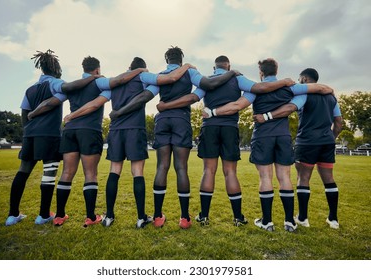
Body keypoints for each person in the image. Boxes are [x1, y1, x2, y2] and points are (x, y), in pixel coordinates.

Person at [109, 46, 244, 229]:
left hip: (162, 122)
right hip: (181, 120)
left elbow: (144, 98)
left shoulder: (160, 76)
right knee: (181, 168)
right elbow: (205, 87)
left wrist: (119, 111)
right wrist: (231, 72)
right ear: (181, 60)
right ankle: (184, 218)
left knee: (162, 167)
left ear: (167, 60)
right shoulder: (190, 72)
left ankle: (157, 217)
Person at [155, 55, 296, 227]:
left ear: (215, 68)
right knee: (230, 172)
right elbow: (259, 88)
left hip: (210, 128)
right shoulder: (237, 78)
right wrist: (284, 83)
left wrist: (167, 105)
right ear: (229, 67)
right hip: (230, 128)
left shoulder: (206, 81)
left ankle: (204, 217)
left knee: (209, 171)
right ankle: (238, 217)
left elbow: (194, 97)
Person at [62, 57, 195, 228]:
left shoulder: (114, 82)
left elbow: (96, 103)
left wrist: (72, 115)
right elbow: (166, 81)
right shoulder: (142, 76)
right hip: (135, 129)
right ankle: (141, 218)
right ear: (143, 68)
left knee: (114, 170)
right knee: (137, 171)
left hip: (116, 130)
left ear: (129, 67)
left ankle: (108, 216)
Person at [206, 58, 334, 232]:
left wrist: (213, 112)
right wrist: (330, 90)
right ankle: (289, 222)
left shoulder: (254, 90)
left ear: (261, 73)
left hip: (263, 137)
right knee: (285, 177)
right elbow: (320, 88)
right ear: (276, 70)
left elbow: (236, 106)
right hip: (283, 136)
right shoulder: (291, 87)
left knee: (265, 177)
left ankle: (267, 222)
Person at [28, 56, 149, 227]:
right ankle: (91, 216)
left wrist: (33, 113)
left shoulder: (72, 86)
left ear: (83, 69)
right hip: (89, 132)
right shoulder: (100, 83)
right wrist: (140, 70)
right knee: (90, 174)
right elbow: (111, 88)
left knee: (67, 173)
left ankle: (60, 215)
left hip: (69, 132)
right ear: (97, 70)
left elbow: (50, 102)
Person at [5, 49, 102, 226]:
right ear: (55, 68)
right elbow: (66, 90)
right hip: (49, 135)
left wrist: (28, 129)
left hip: (30, 135)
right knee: (48, 174)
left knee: (22, 172)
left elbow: (24, 113)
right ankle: (43, 215)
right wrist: (92, 77)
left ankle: (12, 215)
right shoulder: (56, 83)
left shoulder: (30, 89)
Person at [253, 68, 342, 229]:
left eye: (300, 79)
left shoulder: (304, 94)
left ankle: (302, 217)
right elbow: (339, 122)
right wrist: (331, 138)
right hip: (327, 142)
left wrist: (266, 116)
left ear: (305, 79)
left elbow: (290, 108)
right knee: (329, 179)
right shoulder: (331, 97)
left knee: (303, 178)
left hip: (307, 142)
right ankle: (333, 219)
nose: (298, 81)